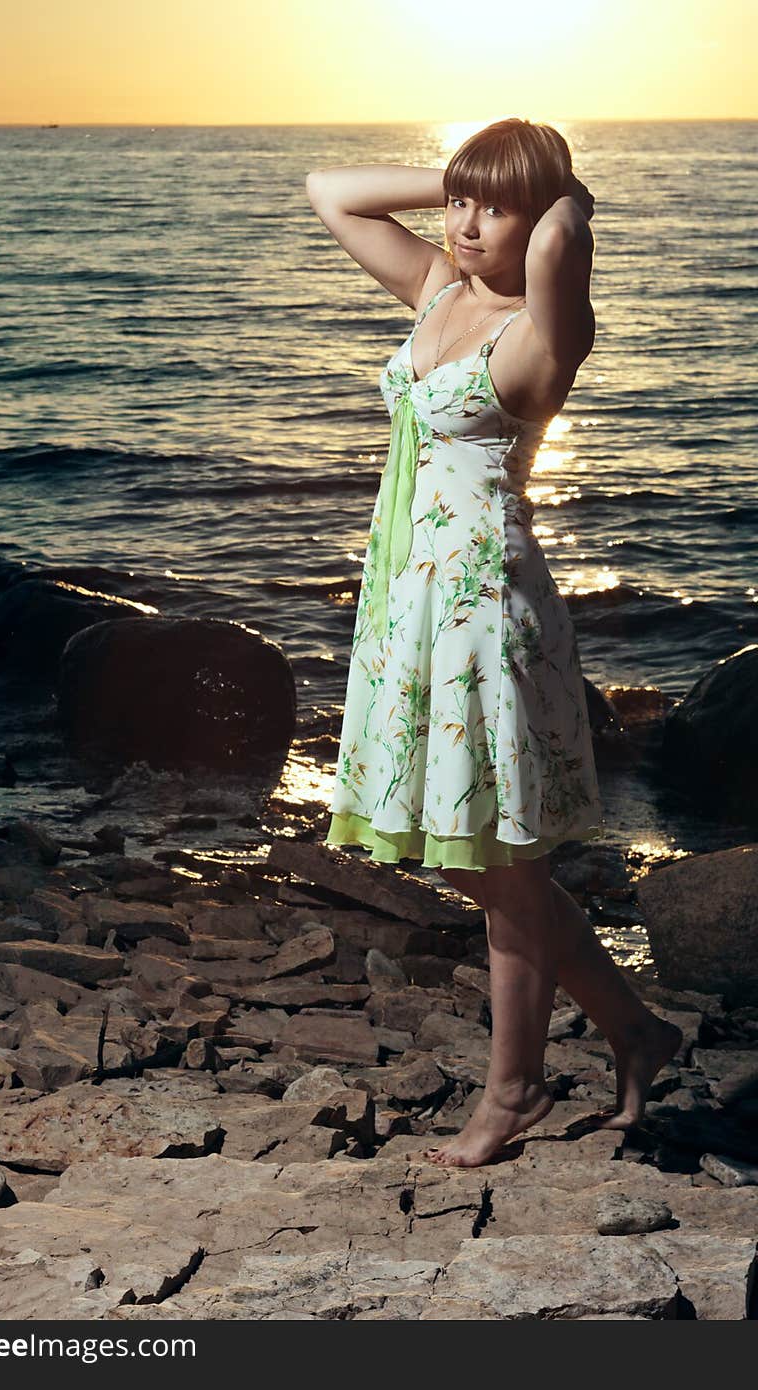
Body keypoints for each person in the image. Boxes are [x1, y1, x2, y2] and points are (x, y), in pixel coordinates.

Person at [306, 117, 682, 1168]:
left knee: (502, 865)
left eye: (493, 207)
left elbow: (561, 243)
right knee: (482, 864)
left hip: (486, 620)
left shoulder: (541, 336)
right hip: (407, 614)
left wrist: (566, 197)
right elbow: (329, 189)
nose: (466, 224)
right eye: (459, 204)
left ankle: (510, 1092)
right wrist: (469, 179)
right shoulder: (437, 287)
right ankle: (638, 1031)